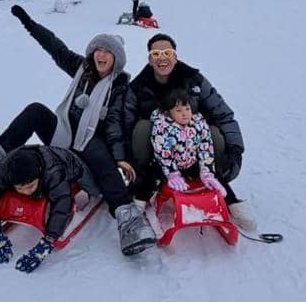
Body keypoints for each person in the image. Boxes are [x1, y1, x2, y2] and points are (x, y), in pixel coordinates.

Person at [0, 8, 154, 256]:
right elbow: (55, 47)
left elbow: (114, 127)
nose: (101, 55)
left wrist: (121, 157)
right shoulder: (82, 69)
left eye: (108, 51)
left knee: (93, 144)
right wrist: (29, 23)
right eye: (98, 50)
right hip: (63, 141)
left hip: (90, 160)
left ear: (116, 59)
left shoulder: (120, 89)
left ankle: (128, 219)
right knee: (36, 111)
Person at [108, 32, 256, 231]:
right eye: (156, 53)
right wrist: (125, 158)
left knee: (212, 132)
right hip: (161, 155)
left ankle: (229, 198)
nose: (162, 57)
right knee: (142, 128)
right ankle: (142, 188)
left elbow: (223, 113)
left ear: (175, 57)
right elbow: (125, 124)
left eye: (167, 52)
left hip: (195, 151)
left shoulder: (193, 80)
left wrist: (235, 150)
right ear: (150, 59)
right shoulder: (138, 87)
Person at [0, 145, 85, 273]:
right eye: (19, 188)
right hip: (34, 168)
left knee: (59, 194)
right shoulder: (4, 169)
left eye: (30, 186)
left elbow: (62, 203)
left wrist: (49, 240)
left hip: (72, 166)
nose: (25, 192)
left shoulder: (54, 173)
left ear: (39, 176)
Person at [149, 88, 225, 195]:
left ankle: (231, 202)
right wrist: (172, 174)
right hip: (166, 166)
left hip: (191, 164)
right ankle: (142, 202)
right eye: (179, 111)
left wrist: (206, 171)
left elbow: (206, 148)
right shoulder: (162, 127)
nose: (184, 114)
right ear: (168, 113)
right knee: (149, 178)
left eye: (187, 109)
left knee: (216, 178)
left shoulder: (198, 123)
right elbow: (162, 153)